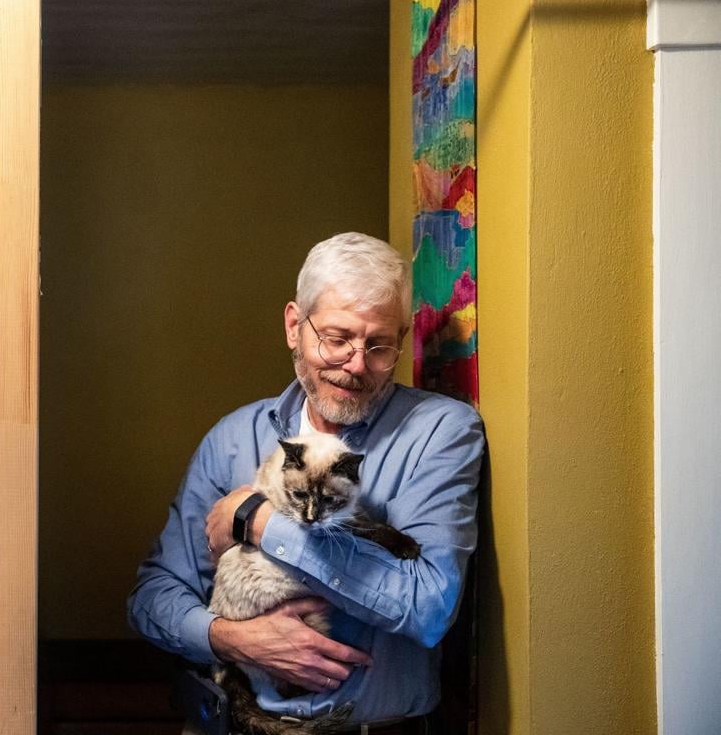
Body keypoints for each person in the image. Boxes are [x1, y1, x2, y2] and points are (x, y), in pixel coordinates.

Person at [127, 232, 483, 731]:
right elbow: (153, 596)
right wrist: (228, 638)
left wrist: (258, 522)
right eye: (336, 339)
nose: (356, 365)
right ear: (295, 326)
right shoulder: (233, 437)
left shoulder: (440, 433)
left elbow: (427, 607)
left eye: (379, 346)